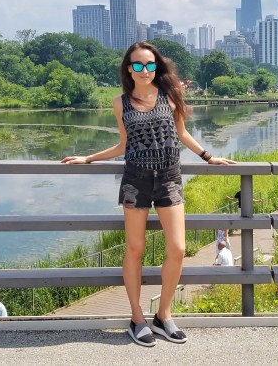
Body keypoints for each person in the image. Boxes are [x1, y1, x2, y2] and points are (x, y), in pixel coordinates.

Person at [62, 41, 235, 347]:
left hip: (169, 178)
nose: (145, 70)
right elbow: (122, 146)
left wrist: (209, 157)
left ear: (157, 67)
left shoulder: (169, 96)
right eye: (138, 65)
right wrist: (87, 158)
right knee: (135, 249)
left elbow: (182, 134)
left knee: (178, 248)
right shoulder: (121, 103)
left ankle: (164, 315)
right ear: (129, 68)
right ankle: (137, 317)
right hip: (136, 180)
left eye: (150, 64)